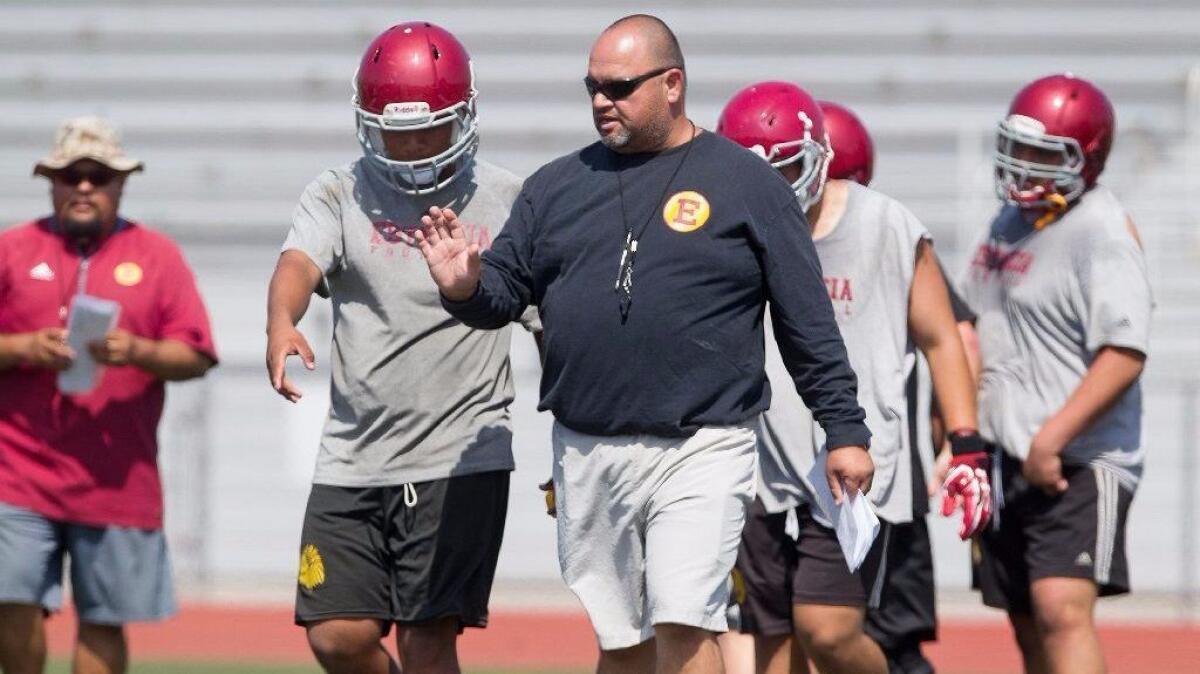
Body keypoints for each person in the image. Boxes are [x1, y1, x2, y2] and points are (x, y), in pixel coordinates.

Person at [413, 14, 872, 674]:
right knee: (623, 645)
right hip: (587, 445)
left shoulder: (749, 184)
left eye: (621, 86)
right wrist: (463, 284)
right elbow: (501, 298)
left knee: (684, 621)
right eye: (593, 87)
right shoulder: (555, 187)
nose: (603, 101)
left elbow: (808, 325)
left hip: (703, 443)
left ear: (673, 83)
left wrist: (845, 429)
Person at [265, 23, 538, 674]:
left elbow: (550, 316)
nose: (413, 144)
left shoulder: (507, 198)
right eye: (397, 129)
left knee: (426, 641)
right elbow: (298, 263)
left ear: (465, 116)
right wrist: (281, 321)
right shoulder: (339, 190)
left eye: (430, 127)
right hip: (354, 455)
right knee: (337, 636)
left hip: (460, 456)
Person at [718, 83, 987, 674]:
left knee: (828, 630)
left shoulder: (885, 224)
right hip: (759, 458)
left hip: (855, 461)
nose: (774, 188)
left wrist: (966, 443)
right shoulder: (728, 231)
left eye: (787, 167)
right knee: (769, 642)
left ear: (819, 157)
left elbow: (946, 337)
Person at [0, 116, 218, 674]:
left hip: (117, 477)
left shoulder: (158, 256)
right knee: (11, 601)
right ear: (51, 181)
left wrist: (136, 352)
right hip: (17, 470)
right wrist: (24, 346)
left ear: (122, 184)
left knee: (102, 619)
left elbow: (195, 355)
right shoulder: (13, 248)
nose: (85, 187)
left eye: (99, 176)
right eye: (72, 175)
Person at [960, 73, 1150, 674]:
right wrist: (960, 432)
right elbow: (972, 326)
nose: (1023, 167)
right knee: (1023, 614)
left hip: (1076, 457)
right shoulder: (1008, 221)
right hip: (1004, 452)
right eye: (1018, 150)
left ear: (1085, 158)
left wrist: (1052, 438)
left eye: (1042, 154)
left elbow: (1124, 350)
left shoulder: (1100, 230)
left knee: (1061, 609)